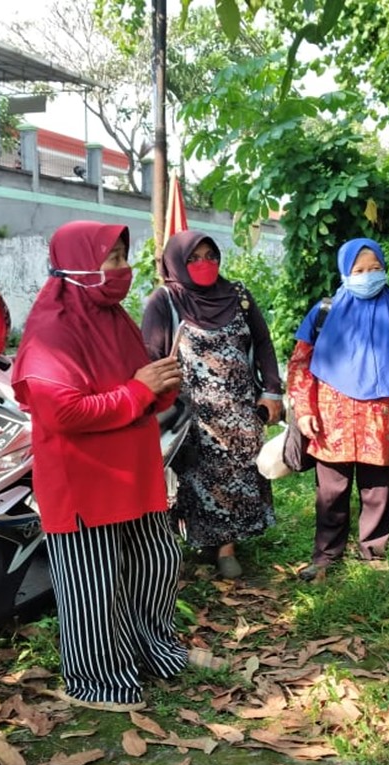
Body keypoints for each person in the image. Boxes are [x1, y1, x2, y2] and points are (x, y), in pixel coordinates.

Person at [11, 220, 188, 712]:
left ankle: (153, 652)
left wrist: (162, 383)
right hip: (84, 479)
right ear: (79, 265)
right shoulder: (53, 328)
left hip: (133, 471)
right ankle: (96, 682)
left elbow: (138, 386)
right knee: (95, 584)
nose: (123, 269)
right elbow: (63, 411)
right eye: (112, 258)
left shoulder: (113, 317)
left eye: (124, 256)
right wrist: (140, 389)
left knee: (156, 563)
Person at [287, 237, 389, 581]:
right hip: (330, 419)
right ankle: (325, 558)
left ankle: (374, 555)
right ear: (344, 272)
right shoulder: (324, 312)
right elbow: (300, 363)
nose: (368, 276)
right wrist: (305, 409)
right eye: (359, 270)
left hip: (381, 420)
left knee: (378, 490)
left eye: (375, 269)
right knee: (331, 492)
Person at [140, 230, 283, 578]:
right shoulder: (165, 301)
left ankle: (227, 547)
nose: (204, 264)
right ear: (177, 261)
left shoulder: (237, 295)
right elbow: (151, 356)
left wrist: (272, 391)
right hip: (192, 415)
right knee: (194, 479)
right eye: (194, 258)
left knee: (239, 476)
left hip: (241, 409)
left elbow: (262, 343)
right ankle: (197, 542)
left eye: (210, 256)